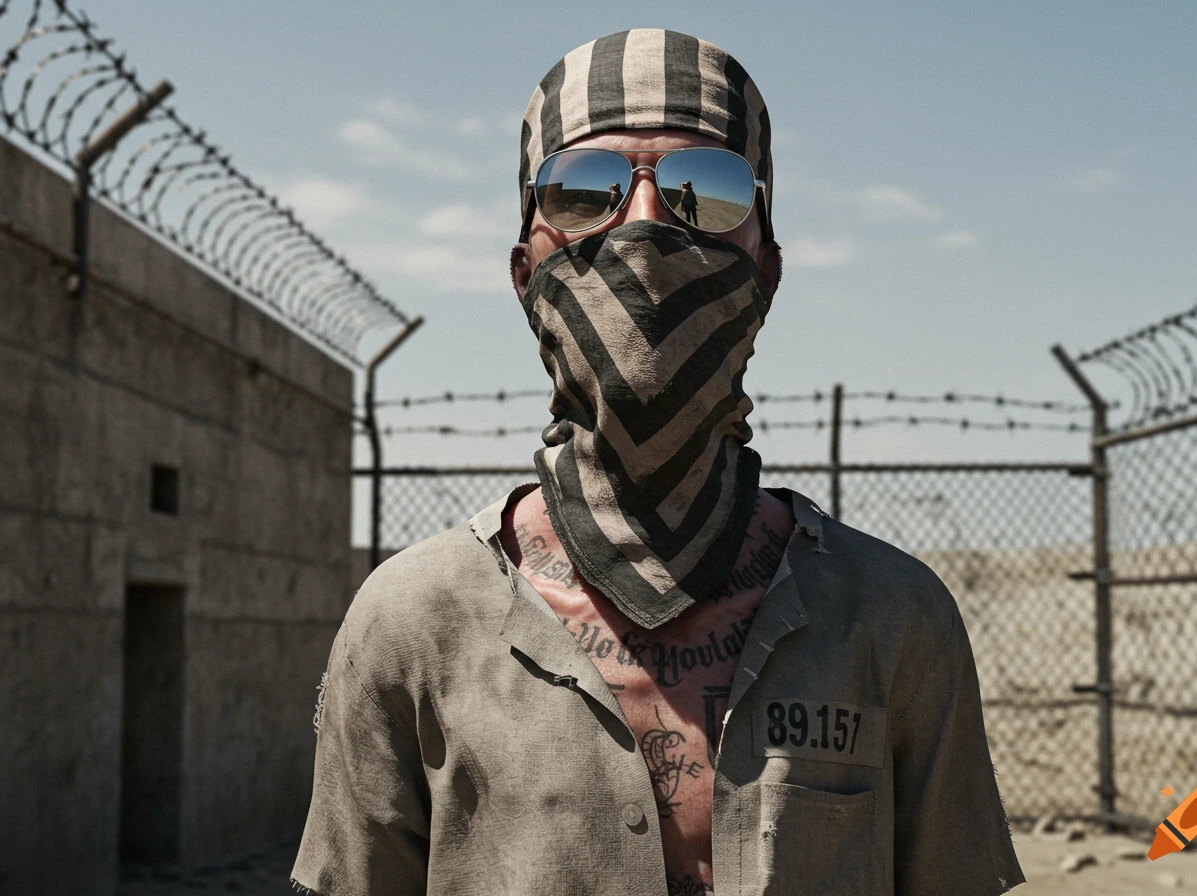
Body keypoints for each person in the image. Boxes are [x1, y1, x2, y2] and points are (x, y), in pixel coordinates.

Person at [292, 28, 1024, 896]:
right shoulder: (412, 623)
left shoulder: (894, 620)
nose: (644, 224)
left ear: (767, 268)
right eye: (581, 192)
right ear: (526, 271)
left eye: (704, 192)